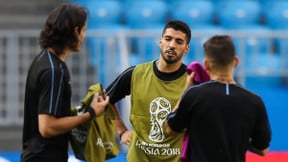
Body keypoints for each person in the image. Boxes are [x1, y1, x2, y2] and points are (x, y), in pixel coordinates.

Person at [21, 3, 109, 162]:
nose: (84, 37)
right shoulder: (53, 71)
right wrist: (90, 114)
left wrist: (82, 109)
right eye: (84, 31)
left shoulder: (44, 61)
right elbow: (47, 127)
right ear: (76, 32)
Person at [165, 35, 272, 162]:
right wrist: (237, 138)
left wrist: (185, 91)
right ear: (236, 61)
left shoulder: (193, 95)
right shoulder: (254, 101)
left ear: (206, 64)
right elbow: (262, 149)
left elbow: (170, 129)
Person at [105, 20, 191, 162]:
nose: (172, 45)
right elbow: (104, 100)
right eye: (168, 39)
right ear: (160, 42)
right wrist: (121, 131)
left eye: (179, 41)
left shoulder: (191, 81)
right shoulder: (136, 73)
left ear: (186, 48)